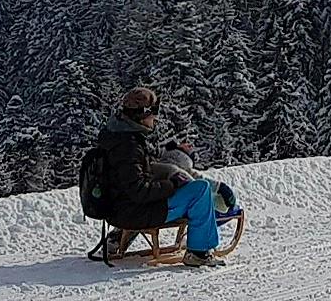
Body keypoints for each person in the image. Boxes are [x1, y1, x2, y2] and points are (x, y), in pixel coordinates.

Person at [87, 86, 238, 263]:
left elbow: (133, 175)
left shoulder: (116, 136)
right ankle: (199, 252)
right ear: (143, 114)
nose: (155, 117)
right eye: (154, 112)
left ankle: (118, 236)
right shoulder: (129, 147)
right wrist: (172, 184)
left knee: (189, 187)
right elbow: (139, 190)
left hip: (118, 209)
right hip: (133, 213)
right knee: (200, 190)